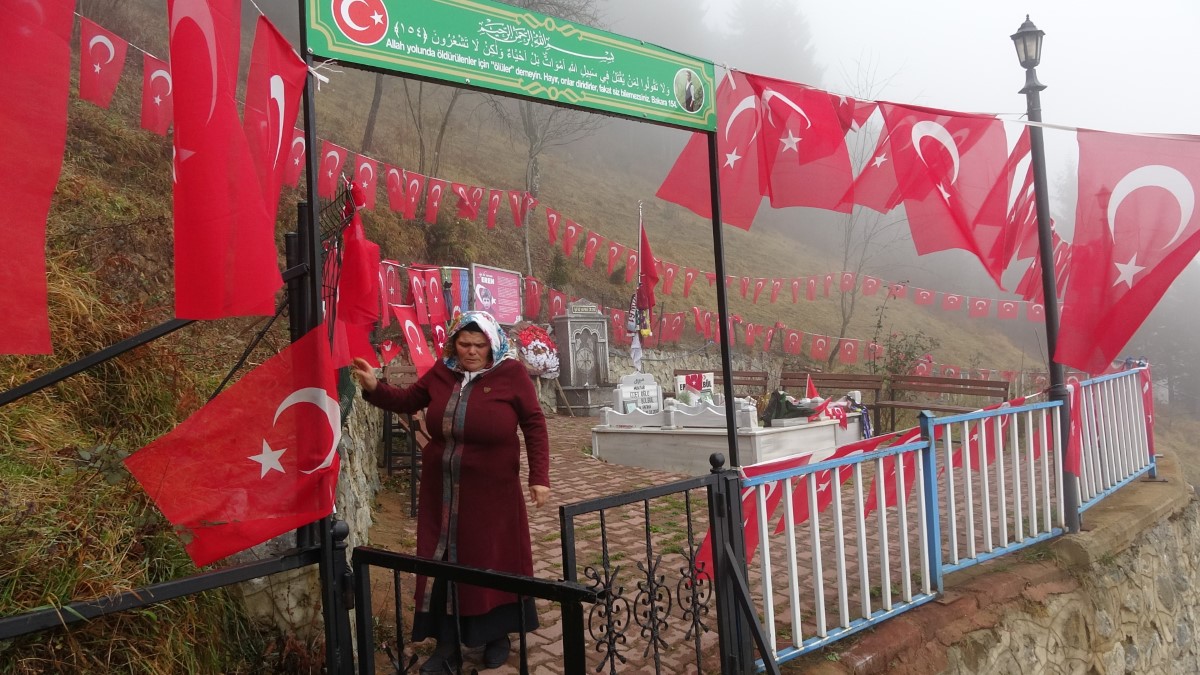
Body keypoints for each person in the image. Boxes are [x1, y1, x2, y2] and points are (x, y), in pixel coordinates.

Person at [350, 311, 550, 673]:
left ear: (492, 344)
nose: (471, 351)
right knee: (440, 558)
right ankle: (446, 643)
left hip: (493, 491)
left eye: (479, 345)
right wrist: (374, 387)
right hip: (440, 488)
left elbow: (534, 423)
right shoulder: (442, 374)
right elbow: (408, 400)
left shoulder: (511, 375)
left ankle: (496, 633)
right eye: (464, 344)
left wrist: (540, 476)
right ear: (453, 343)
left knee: (491, 556)